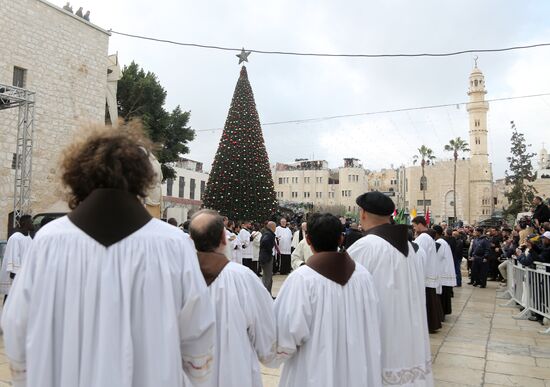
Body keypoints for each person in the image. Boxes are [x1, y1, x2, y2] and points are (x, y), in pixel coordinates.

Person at [1, 123, 216, 387]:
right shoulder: (173, 245)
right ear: (142, 178)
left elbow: (17, 325)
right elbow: (198, 336)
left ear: (80, 176)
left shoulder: (48, 241)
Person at [269, 213, 382, 386]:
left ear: (307, 240)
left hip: (313, 371)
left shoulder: (302, 279)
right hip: (355, 370)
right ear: (341, 239)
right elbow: (374, 322)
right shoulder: (363, 276)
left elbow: (285, 334)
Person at [348, 192, 434, 386]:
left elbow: (345, 295)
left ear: (362, 213)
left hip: (380, 334)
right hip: (409, 334)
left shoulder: (365, 247)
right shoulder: (410, 247)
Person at [189, 210, 276, 387]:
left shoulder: (176, 277)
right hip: (236, 373)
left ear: (191, 240)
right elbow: (266, 337)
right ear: (223, 238)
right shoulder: (243, 278)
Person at [412, 216, 443, 333]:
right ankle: (433, 324)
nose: (414, 229)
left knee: (429, 300)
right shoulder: (427, 237)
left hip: (425, 272)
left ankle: (430, 325)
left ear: (420, 224)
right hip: (429, 271)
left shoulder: (423, 237)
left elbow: (417, 254)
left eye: (415, 226)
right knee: (431, 299)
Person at [0, 215, 34, 300]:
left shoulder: (29, 238)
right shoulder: (15, 238)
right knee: (10, 297)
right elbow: (13, 256)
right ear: (24, 223)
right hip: (15, 275)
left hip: (24, 274)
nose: (32, 224)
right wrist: (15, 274)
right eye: (30, 222)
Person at [433, 225, 456, 316]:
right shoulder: (442, 241)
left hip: (443, 271)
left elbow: (436, 257)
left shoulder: (439, 242)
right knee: (445, 294)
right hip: (445, 271)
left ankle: (442, 312)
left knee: (443, 295)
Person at [259, 221, 277, 295]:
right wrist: (269, 249)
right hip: (266, 258)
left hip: (265, 257)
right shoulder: (269, 234)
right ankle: (265, 295)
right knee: (267, 278)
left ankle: (268, 295)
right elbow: (264, 242)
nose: (275, 228)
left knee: (268, 278)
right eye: (275, 227)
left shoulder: (267, 233)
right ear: (272, 227)